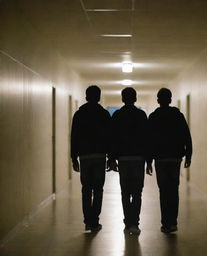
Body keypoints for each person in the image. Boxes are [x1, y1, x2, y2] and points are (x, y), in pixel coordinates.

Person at [146, 88, 192, 233]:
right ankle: (173, 222)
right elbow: (186, 135)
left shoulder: (153, 117)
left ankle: (166, 223)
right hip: (175, 158)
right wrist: (188, 155)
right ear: (170, 100)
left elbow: (149, 140)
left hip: (160, 159)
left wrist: (148, 161)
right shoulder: (178, 116)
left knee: (164, 190)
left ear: (158, 100)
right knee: (174, 190)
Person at [71, 85, 111, 232]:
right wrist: (111, 157)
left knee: (86, 189)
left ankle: (88, 221)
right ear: (99, 97)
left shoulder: (79, 114)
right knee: (98, 189)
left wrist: (74, 158)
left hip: (85, 157)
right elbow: (109, 137)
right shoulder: (104, 115)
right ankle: (95, 221)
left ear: (86, 96)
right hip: (100, 156)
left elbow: (74, 137)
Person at [109, 87, 148, 235]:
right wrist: (149, 160)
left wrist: (111, 159)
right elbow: (147, 138)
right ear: (135, 98)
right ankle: (135, 224)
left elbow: (112, 139)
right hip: (138, 159)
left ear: (122, 99)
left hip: (123, 159)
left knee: (125, 192)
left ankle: (127, 222)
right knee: (137, 192)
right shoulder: (141, 115)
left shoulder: (117, 116)